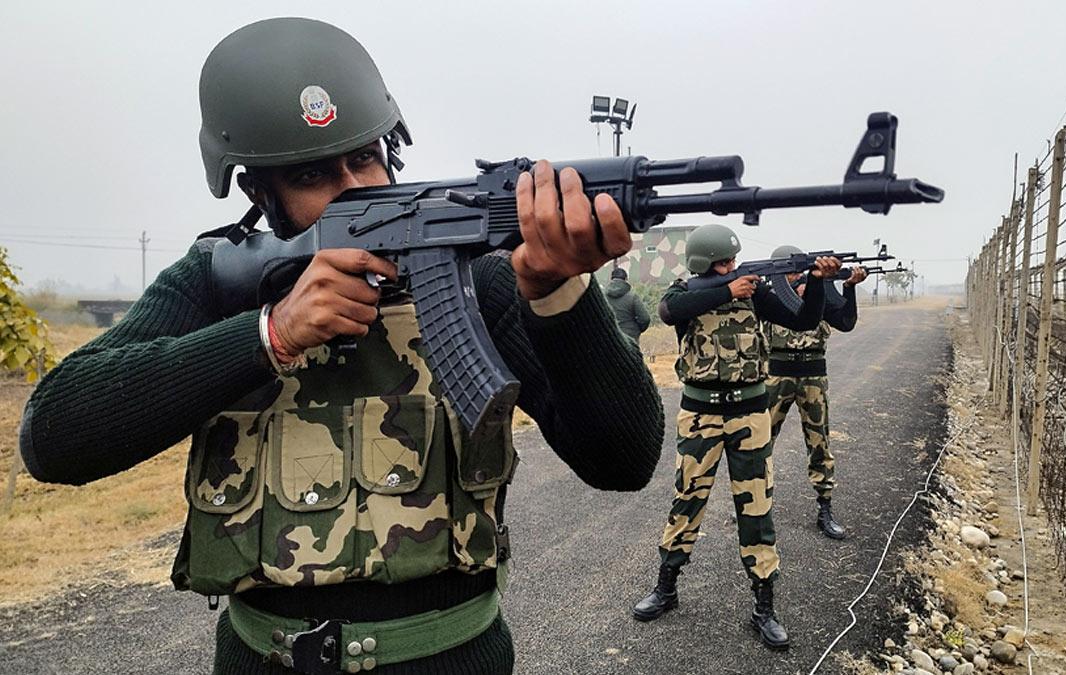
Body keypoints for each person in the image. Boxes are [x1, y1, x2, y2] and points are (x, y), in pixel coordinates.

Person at [18, 18, 664, 675]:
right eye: (312, 175)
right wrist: (270, 334)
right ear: (259, 192)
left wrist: (557, 292)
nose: (358, 188)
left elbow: (625, 458)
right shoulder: (219, 281)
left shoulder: (480, 279)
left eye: (366, 157)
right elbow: (53, 434)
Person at [630, 224, 840, 650]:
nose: (732, 267)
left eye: (733, 261)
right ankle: (666, 587)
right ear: (705, 264)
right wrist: (729, 289)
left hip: (749, 413)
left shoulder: (757, 293)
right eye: (724, 263)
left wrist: (817, 283)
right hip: (700, 415)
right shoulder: (684, 292)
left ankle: (765, 606)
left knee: (758, 507)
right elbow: (668, 312)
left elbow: (802, 319)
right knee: (687, 500)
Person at [763, 245, 866, 540]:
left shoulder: (817, 288)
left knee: (819, 444)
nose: (794, 274)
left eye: (797, 268)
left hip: (813, 375)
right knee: (761, 443)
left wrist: (846, 289)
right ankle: (757, 503)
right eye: (788, 269)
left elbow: (845, 322)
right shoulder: (768, 296)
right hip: (776, 374)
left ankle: (825, 508)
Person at [604, 267, 651, 345]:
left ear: (611, 279)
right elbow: (645, 319)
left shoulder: (603, 297)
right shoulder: (633, 297)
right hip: (630, 339)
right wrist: (637, 330)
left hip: (609, 338)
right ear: (626, 279)